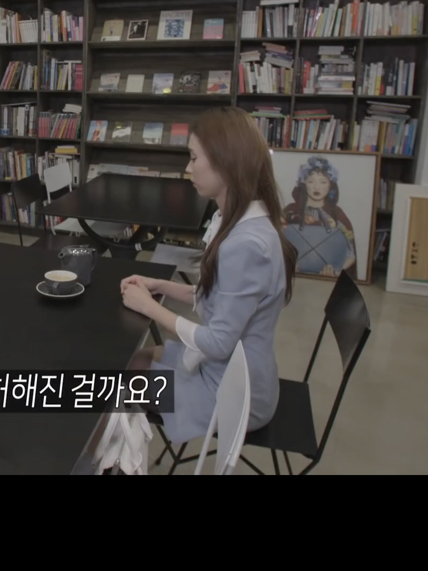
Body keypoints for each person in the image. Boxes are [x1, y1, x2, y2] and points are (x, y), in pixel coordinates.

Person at [119, 106, 297, 449]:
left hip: (234, 393)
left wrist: (149, 307)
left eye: (194, 157)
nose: (188, 168)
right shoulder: (240, 220)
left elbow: (217, 342)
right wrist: (161, 286)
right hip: (225, 372)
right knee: (132, 362)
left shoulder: (247, 245)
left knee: (110, 385)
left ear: (226, 163)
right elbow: (220, 294)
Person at [281, 155, 355, 278]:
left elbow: (351, 253)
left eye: (323, 182)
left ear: (330, 185)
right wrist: (286, 266)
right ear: (303, 183)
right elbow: (274, 242)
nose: (316, 187)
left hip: (326, 279)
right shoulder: (290, 211)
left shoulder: (337, 214)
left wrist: (336, 271)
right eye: (311, 181)